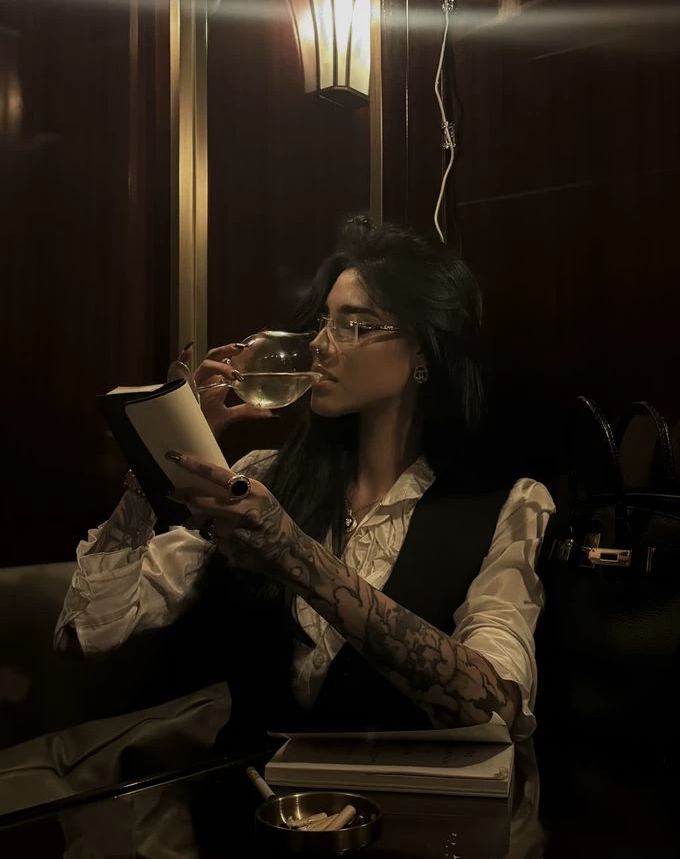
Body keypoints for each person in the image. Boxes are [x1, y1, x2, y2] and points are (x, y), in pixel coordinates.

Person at [55, 218, 555, 745]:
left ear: (423, 352)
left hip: (404, 795)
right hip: (249, 789)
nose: (319, 345)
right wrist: (162, 454)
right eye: (323, 322)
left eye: (354, 325)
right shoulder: (262, 478)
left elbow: (495, 710)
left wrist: (294, 554)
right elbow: (87, 630)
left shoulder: (505, 505)